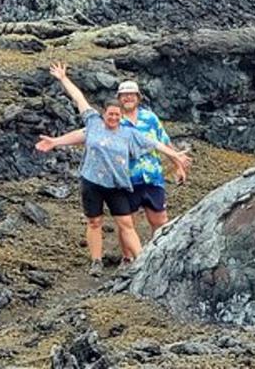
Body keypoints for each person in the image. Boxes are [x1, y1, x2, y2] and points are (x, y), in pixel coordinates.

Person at [37, 62, 192, 276]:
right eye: (110, 114)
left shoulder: (132, 130)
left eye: (117, 115)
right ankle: (103, 262)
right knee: (101, 221)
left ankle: (145, 262)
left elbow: (156, 142)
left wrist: (176, 157)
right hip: (102, 181)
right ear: (105, 112)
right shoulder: (93, 122)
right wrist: (63, 80)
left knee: (139, 221)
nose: (114, 117)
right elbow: (79, 106)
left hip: (132, 180)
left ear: (137, 98)